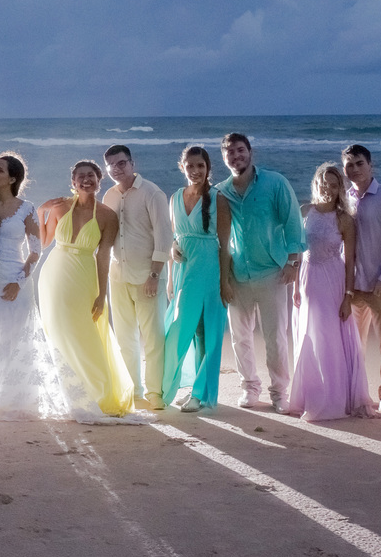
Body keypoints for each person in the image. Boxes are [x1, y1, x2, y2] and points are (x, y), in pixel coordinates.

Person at [0, 154, 121, 423]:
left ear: (13, 178)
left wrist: (20, 281)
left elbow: (36, 248)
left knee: (18, 339)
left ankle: (10, 396)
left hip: (19, 279)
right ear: (72, 181)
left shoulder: (26, 208)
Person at [217, 133, 305, 414]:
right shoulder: (221, 191)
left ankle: (279, 391)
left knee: (275, 336)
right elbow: (213, 233)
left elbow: (293, 222)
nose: (235, 156)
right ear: (224, 157)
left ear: (250, 152)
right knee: (240, 336)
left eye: (240, 150)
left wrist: (293, 262)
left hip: (272, 272)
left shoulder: (275, 182)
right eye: (229, 152)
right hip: (237, 273)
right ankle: (249, 386)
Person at [38, 160, 134, 416]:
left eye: (91, 175)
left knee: (83, 332)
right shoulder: (61, 208)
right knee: (58, 332)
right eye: (80, 177)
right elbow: (44, 241)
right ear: (73, 182)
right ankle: (66, 391)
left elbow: (103, 257)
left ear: (99, 180)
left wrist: (102, 295)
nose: (85, 180)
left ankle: (97, 392)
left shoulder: (107, 216)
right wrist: (41, 211)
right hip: (53, 277)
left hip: (83, 277)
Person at [288, 163, 381, 422]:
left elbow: (350, 261)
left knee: (329, 338)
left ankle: (333, 398)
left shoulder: (344, 219)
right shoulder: (305, 211)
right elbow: (297, 251)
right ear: (316, 184)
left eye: (333, 184)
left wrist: (347, 296)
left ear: (340, 187)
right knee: (308, 335)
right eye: (323, 183)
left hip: (333, 280)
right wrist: (295, 287)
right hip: (307, 278)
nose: (327, 189)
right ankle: (309, 394)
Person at [102, 145, 172, 409]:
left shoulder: (152, 193)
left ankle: (155, 393)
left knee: (153, 338)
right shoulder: (108, 195)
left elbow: (164, 236)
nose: (116, 169)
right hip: (117, 276)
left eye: (121, 163)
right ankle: (133, 390)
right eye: (111, 165)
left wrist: (155, 274)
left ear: (132, 163)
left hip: (147, 276)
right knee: (125, 338)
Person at [162, 146, 230, 412]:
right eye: (190, 166)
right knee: (181, 329)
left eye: (200, 166)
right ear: (182, 167)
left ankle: (200, 394)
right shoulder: (175, 197)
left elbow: (225, 245)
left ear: (208, 167)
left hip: (209, 269)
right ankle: (179, 386)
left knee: (204, 331)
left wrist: (225, 282)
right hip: (182, 272)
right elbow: (173, 236)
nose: (196, 171)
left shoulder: (218, 198)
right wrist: (169, 275)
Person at [342, 144, 381, 414]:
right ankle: (355, 391)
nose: (354, 169)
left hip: (380, 283)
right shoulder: (344, 199)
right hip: (353, 286)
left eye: (359, 163)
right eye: (349, 165)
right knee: (352, 343)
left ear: (371, 165)